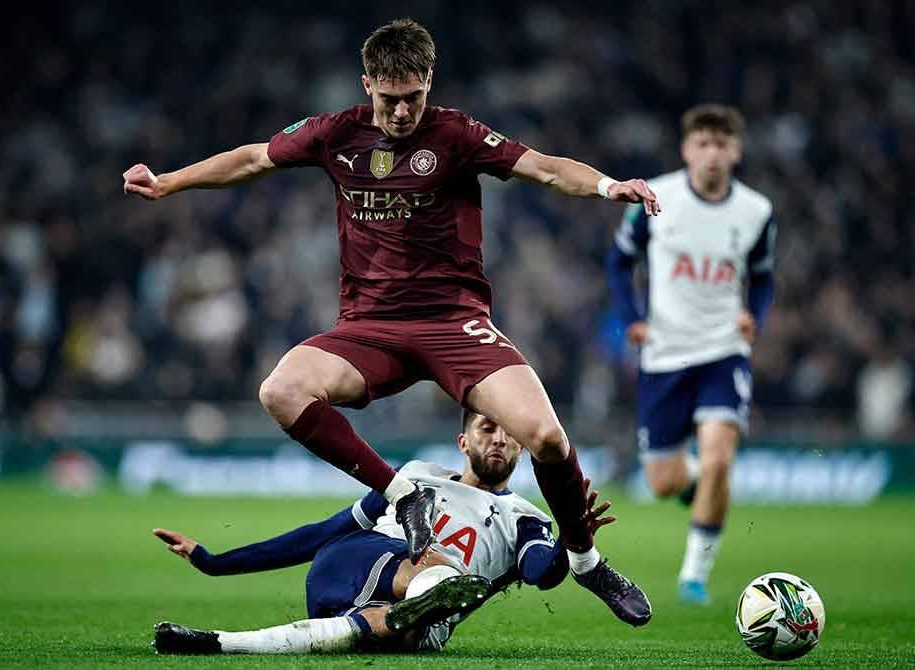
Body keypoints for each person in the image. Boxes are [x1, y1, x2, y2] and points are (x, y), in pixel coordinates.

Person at [123, 18, 659, 617]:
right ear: (367, 83)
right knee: (280, 390)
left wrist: (611, 187)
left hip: (453, 323)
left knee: (547, 438)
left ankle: (587, 562)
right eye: (389, 99)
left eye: (413, 99)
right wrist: (168, 182)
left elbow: (547, 168)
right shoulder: (334, 133)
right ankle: (401, 493)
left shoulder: (456, 134)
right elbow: (252, 159)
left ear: (429, 82)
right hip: (369, 329)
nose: (402, 113)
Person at [150, 410, 645, 655]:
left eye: (507, 433)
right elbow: (322, 532)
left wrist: (571, 537)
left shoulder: (526, 517)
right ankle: (433, 593)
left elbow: (540, 572)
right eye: (486, 428)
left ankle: (219, 643)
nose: (498, 439)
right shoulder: (416, 479)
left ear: (520, 445)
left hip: (404, 622)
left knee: (390, 632)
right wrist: (216, 562)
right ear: (463, 440)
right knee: (440, 566)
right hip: (352, 563)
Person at [606, 104, 776, 604]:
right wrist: (631, 317)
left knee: (720, 457)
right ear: (687, 149)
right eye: (703, 143)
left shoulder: (756, 211)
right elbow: (619, 261)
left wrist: (755, 317)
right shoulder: (655, 199)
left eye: (722, 144)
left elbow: (763, 274)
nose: (712, 154)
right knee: (662, 482)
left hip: (724, 350)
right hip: (664, 353)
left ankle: (693, 577)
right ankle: (705, 485)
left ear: (736, 151)